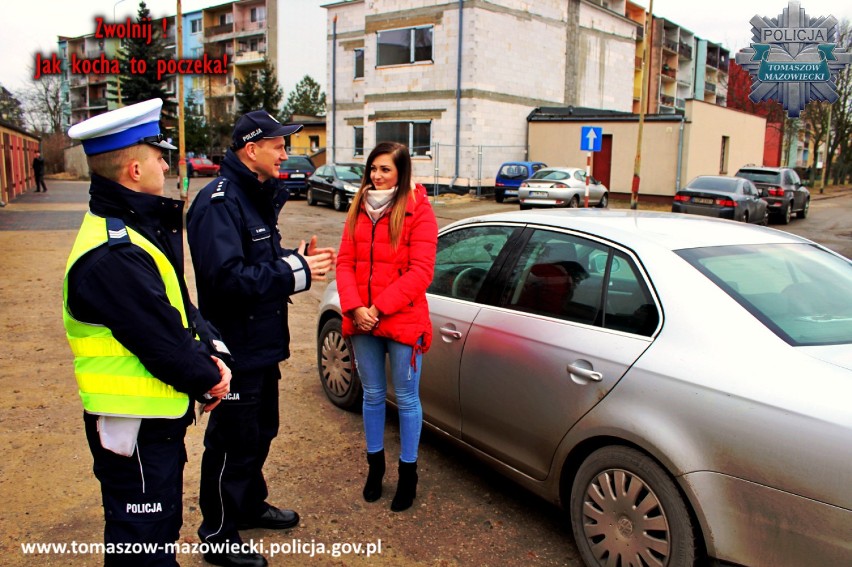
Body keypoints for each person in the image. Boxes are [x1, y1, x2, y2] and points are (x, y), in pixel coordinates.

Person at [63, 98, 232, 567]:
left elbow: (178, 307)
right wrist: (208, 377)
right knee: (143, 546)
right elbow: (164, 344)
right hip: (132, 428)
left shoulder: (133, 230)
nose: (166, 162)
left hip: (147, 424)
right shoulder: (115, 253)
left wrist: (211, 355)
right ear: (134, 169)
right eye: (159, 155)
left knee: (153, 535)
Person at [187, 109, 335, 567]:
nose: (286, 154)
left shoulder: (252, 197)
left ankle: (248, 505)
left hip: (261, 344)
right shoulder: (219, 202)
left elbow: (259, 262)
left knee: (259, 432)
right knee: (232, 441)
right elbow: (227, 280)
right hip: (236, 348)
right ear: (251, 150)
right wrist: (298, 272)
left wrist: (295, 259)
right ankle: (217, 534)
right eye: (279, 145)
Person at [335, 141, 438, 512]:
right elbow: (345, 262)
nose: (377, 176)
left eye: (385, 170)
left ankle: (408, 475)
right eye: (373, 169)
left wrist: (377, 308)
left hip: (402, 319)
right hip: (362, 318)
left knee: (407, 399)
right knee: (373, 395)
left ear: (401, 173)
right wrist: (355, 307)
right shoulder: (358, 208)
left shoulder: (419, 211)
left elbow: (421, 272)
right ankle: (375, 469)